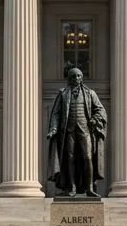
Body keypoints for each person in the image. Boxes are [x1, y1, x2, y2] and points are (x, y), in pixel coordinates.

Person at [46, 67, 107, 197]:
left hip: (85, 130)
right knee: (70, 159)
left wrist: (95, 119)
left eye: (78, 76)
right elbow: (56, 114)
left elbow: (100, 110)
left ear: (82, 78)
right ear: (69, 78)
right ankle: (71, 187)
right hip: (68, 131)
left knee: (88, 158)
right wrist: (53, 128)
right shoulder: (63, 93)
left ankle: (89, 188)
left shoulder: (90, 93)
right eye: (73, 76)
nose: (76, 79)